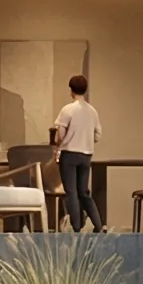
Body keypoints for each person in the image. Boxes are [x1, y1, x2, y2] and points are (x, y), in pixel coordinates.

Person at [51, 74, 104, 232]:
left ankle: (76, 227)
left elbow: (60, 133)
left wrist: (59, 143)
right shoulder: (92, 111)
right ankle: (98, 224)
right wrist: (86, 139)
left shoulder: (67, 110)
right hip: (86, 155)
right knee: (83, 192)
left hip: (69, 154)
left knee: (71, 192)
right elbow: (98, 135)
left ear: (71, 90)